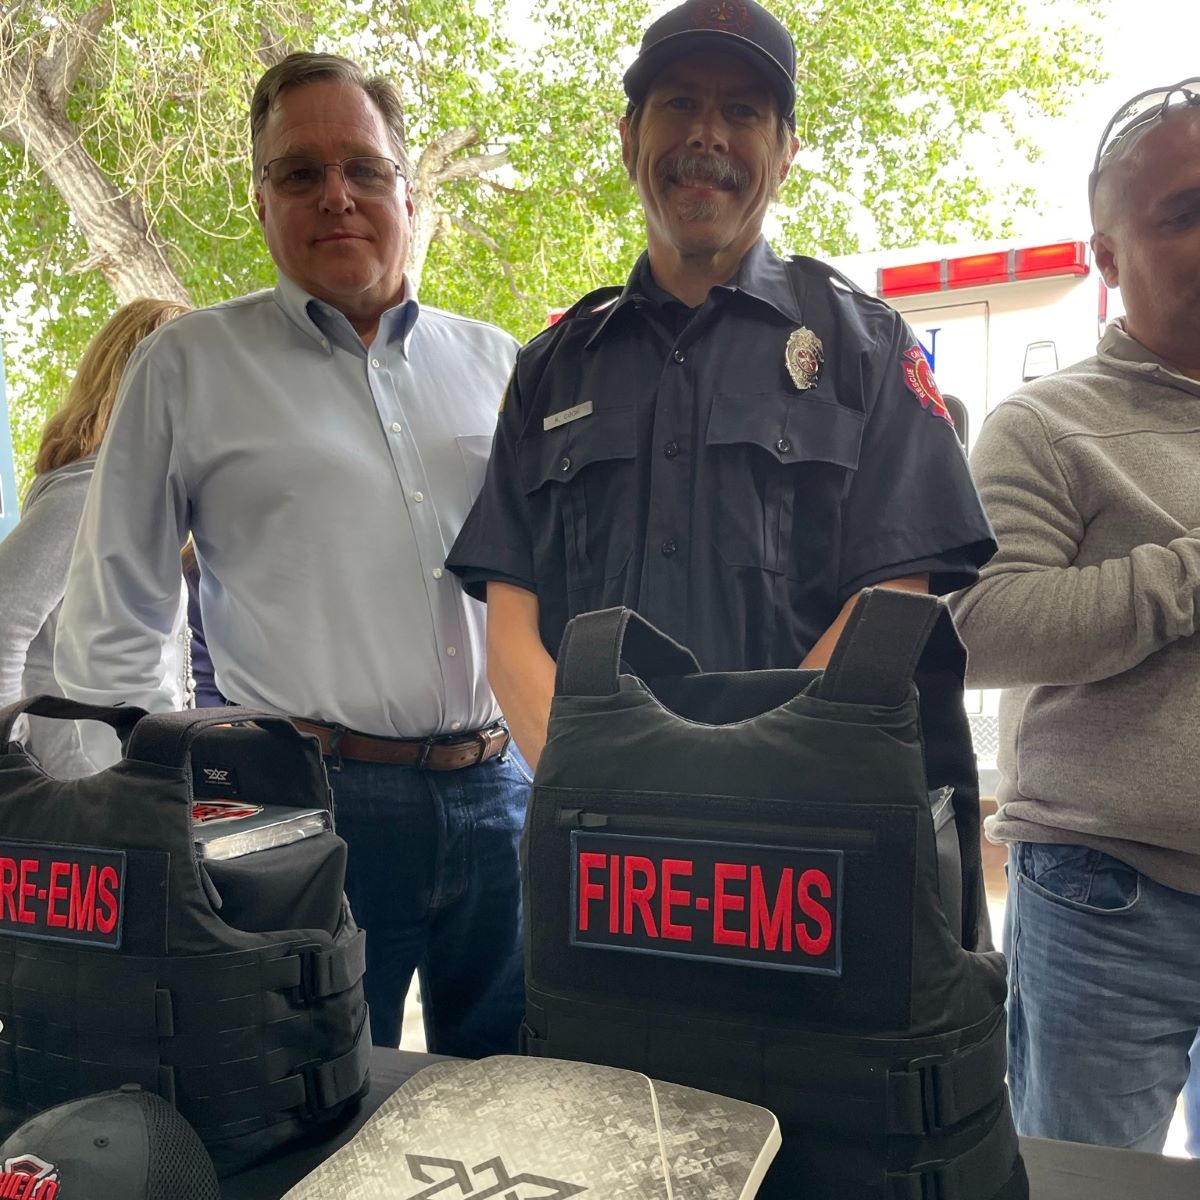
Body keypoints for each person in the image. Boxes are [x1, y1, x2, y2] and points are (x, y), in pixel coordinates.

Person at [55, 53, 527, 1057]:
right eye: (300, 173)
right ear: (262, 200)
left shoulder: (497, 362)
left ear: (407, 187)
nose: (337, 196)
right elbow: (119, 611)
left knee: (521, 1086)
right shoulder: (188, 366)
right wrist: (155, 818)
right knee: (315, 1096)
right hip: (307, 805)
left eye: (363, 167)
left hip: (504, 793)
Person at [447, 0, 995, 766]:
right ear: (629, 137)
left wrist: (745, 784)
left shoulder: (866, 346)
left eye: (742, 110)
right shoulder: (551, 366)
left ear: (786, 153)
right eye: (680, 103)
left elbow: (893, 599)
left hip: (798, 829)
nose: (708, 135)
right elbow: (509, 625)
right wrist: (591, 781)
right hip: (595, 835)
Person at [948, 80, 1200, 1152]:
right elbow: (986, 626)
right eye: (1184, 211)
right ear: (1102, 256)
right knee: (1083, 1185)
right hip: (1109, 900)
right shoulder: (1045, 425)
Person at [0, 299, 189, 778]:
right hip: (83, 789)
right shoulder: (91, 490)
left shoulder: (134, 490)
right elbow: (4, 620)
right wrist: (14, 763)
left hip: (113, 780)